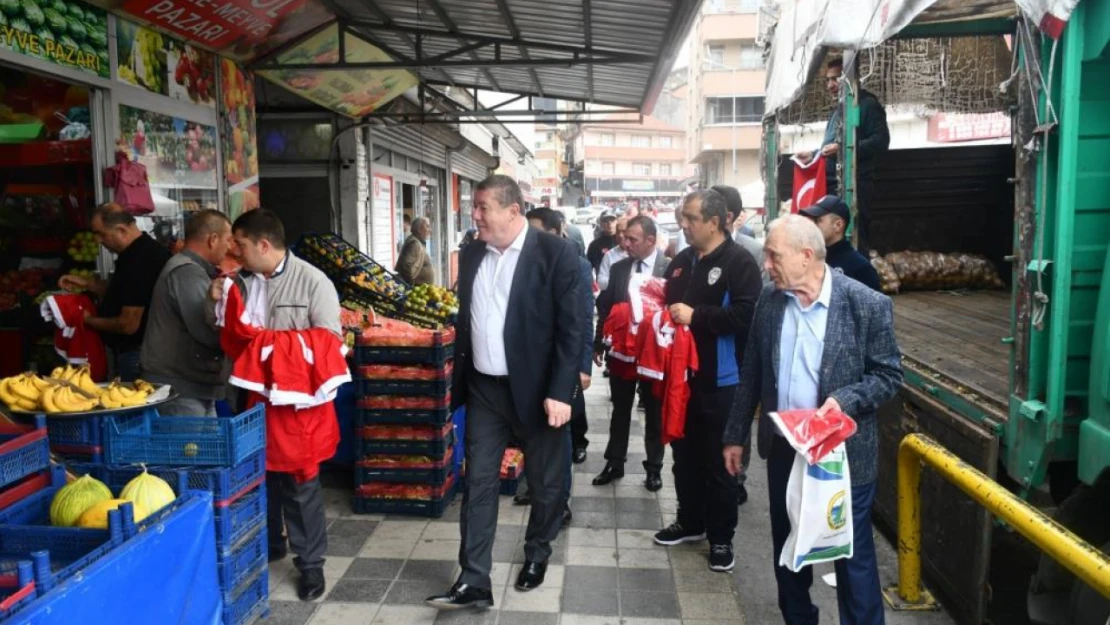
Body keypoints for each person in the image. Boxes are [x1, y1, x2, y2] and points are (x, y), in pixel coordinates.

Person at [723, 214, 902, 625]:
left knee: (850, 555)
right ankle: (798, 618)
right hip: (787, 446)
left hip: (843, 456)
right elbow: (751, 372)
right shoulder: (770, 301)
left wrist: (846, 399)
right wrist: (736, 436)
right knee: (788, 546)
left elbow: (889, 375)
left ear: (807, 256)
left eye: (773, 255)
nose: (766, 264)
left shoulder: (865, 304)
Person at [427, 175, 581, 610]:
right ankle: (474, 578)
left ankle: (537, 553)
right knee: (477, 482)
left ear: (513, 211)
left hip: (537, 391)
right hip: (484, 389)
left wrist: (561, 391)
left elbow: (572, 329)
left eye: (482, 208)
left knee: (547, 483)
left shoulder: (555, 255)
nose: (474, 216)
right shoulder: (472, 254)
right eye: (474, 208)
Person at [213, 209, 342, 602]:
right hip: (256, 399)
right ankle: (271, 543)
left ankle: (311, 563)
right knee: (260, 477)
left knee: (301, 484)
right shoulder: (241, 283)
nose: (235, 251)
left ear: (263, 245)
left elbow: (331, 343)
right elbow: (226, 332)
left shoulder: (313, 281)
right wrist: (216, 301)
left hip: (299, 407)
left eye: (241, 244)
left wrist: (274, 345)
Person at [653, 190, 761, 573]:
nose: (683, 224)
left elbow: (748, 315)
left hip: (722, 380)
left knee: (720, 465)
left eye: (690, 218)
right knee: (684, 457)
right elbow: (667, 303)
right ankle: (690, 521)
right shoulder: (681, 261)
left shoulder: (739, 262)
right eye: (683, 217)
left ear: (714, 222)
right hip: (681, 380)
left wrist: (696, 316)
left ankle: (721, 538)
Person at [522, 208, 593, 516]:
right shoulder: (523, 262)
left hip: (561, 365)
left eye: (536, 233)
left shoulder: (577, 265)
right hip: (528, 365)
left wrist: (583, 365)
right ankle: (538, 490)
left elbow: (583, 319)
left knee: (558, 433)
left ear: (555, 232)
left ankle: (559, 503)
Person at [591, 215, 669, 491]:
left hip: (653, 354)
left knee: (655, 411)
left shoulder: (669, 268)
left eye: (633, 239)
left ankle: (654, 468)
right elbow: (608, 306)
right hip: (622, 353)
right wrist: (599, 341)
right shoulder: (620, 267)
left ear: (650, 240)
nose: (626, 243)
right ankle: (614, 462)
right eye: (625, 238)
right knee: (620, 409)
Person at [60, 204, 171, 381]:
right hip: (140, 353)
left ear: (121, 230)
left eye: (101, 234)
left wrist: (87, 320)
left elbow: (128, 324)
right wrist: (89, 285)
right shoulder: (137, 253)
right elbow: (125, 294)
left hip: (137, 355)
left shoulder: (139, 261)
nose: (98, 240)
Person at [141, 210, 233, 416]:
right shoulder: (187, 272)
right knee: (190, 448)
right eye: (228, 240)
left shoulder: (189, 268)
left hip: (189, 384)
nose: (229, 247)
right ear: (213, 239)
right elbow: (206, 331)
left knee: (203, 448)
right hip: (180, 389)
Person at [795, 57, 889, 253]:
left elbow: (880, 141)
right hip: (833, 189)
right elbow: (830, 147)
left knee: (856, 239)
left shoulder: (867, 105)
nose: (830, 85)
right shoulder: (838, 110)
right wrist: (813, 154)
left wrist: (847, 149)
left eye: (835, 79)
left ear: (851, 79)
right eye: (828, 80)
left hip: (856, 187)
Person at [800, 195, 881, 291]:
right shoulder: (810, 259)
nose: (813, 226)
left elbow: (873, 305)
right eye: (812, 220)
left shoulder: (860, 268)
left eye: (818, 220)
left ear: (838, 225)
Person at [396, 216, 435, 285]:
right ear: (419, 229)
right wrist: (411, 284)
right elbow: (405, 266)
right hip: (417, 289)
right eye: (427, 226)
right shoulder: (415, 243)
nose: (430, 230)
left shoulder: (417, 241)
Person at [597, 217, 630, 291]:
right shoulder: (609, 255)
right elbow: (601, 282)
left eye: (624, 231)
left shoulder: (638, 253)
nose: (620, 235)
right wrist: (618, 281)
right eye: (618, 232)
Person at [587, 211, 619, 275]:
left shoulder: (623, 242)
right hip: (603, 281)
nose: (609, 223)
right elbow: (588, 267)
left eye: (612, 220)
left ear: (617, 222)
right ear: (601, 223)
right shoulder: (594, 245)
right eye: (606, 221)